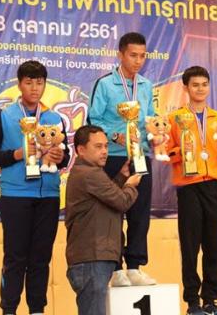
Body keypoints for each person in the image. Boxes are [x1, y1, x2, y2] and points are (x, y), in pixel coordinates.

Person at [0, 60, 70, 315]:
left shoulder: (54, 118)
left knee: (41, 258)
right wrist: (17, 154)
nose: (34, 88)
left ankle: (37, 310)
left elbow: (65, 157)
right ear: (19, 84)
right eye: (29, 82)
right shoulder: (4, 116)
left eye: (39, 83)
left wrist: (59, 157)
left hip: (48, 195)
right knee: (15, 257)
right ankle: (8, 309)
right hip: (15, 196)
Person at [87, 32, 156, 286]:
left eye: (142, 56)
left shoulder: (146, 85)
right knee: (113, 213)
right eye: (133, 55)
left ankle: (135, 266)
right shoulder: (105, 84)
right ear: (120, 55)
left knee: (140, 212)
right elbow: (93, 121)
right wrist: (115, 136)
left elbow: (150, 118)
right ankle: (116, 269)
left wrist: (155, 134)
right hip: (113, 158)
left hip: (140, 156)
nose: (138, 61)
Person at [166, 66, 217, 315]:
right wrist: (182, 152)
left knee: (214, 245)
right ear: (186, 87)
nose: (200, 89)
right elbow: (166, 152)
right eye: (195, 85)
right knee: (190, 246)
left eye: (204, 84)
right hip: (188, 186)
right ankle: (192, 302)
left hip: (214, 185)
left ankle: (211, 301)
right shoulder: (174, 119)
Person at [65, 125, 141, 315]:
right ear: (81, 150)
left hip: (92, 258)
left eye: (106, 146)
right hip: (92, 258)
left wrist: (121, 178)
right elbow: (121, 201)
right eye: (98, 146)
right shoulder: (90, 174)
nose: (105, 151)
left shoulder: (88, 173)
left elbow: (104, 200)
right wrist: (130, 186)